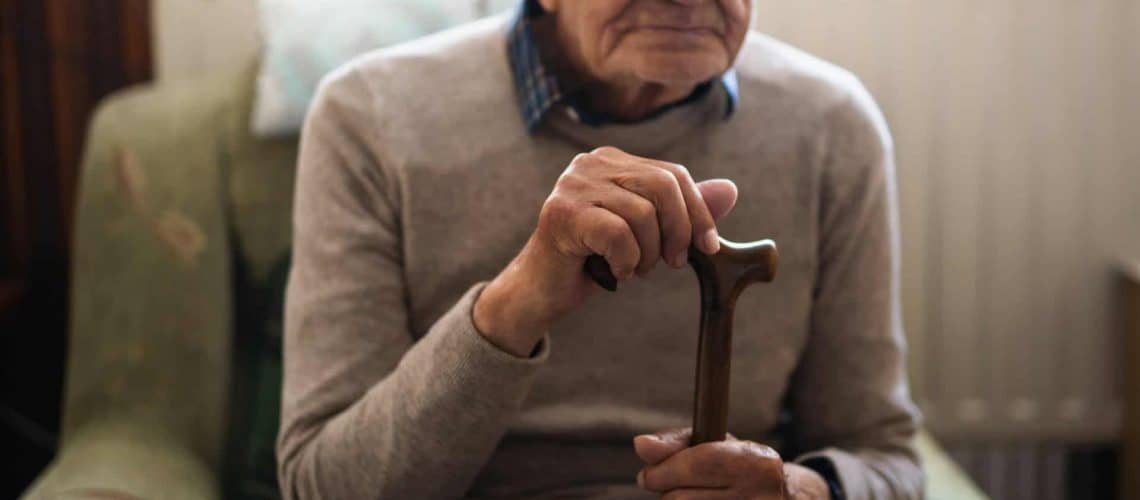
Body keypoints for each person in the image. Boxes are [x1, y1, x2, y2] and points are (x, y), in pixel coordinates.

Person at [277, 0, 922, 498]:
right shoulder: (367, 119)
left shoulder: (834, 127)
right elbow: (322, 483)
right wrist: (520, 297)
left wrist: (796, 488)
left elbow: (884, 457)